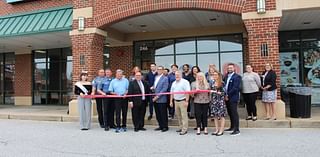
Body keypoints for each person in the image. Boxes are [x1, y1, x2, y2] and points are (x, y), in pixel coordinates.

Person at [170, 71, 191, 135]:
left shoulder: (185, 82)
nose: (177, 76)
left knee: (184, 116)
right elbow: (172, 93)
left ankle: (184, 129)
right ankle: (181, 127)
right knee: (178, 116)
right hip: (176, 101)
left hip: (183, 101)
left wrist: (187, 101)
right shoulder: (174, 83)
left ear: (181, 75)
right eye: (176, 75)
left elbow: (187, 92)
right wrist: (171, 101)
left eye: (178, 74)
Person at [224, 63, 241, 136]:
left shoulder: (237, 77)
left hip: (233, 97)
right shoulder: (226, 76)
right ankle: (232, 127)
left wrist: (228, 95)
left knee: (234, 113)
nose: (229, 69)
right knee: (230, 113)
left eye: (231, 68)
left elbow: (235, 88)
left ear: (234, 69)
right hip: (226, 97)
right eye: (228, 68)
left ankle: (237, 129)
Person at [151, 66, 169, 132]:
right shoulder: (156, 77)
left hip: (161, 99)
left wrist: (157, 96)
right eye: (158, 69)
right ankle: (160, 126)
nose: (158, 70)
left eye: (160, 69)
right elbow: (155, 86)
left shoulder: (165, 78)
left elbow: (164, 89)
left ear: (163, 70)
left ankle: (165, 126)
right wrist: (152, 87)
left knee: (163, 113)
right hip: (155, 98)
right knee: (158, 113)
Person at [210, 71, 226, 136]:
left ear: (219, 76)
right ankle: (216, 129)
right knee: (215, 116)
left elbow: (225, 92)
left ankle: (221, 130)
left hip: (220, 101)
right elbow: (211, 92)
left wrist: (220, 93)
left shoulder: (222, 83)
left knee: (221, 116)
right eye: (214, 75)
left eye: (216, 75)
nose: (215, 76)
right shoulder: (212, 83)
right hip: (214, 101)